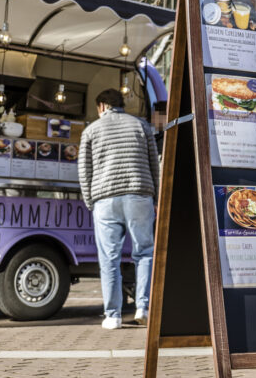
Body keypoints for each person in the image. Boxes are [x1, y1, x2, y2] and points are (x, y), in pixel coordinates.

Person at [78, 88, 160, 330]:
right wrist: (155, 195)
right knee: (144, 253)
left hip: (105, 199)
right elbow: (154, 163)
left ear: (102, 106)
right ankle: (143, 308)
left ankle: (112, 315)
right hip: (139, 195)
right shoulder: (141, 126)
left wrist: (90, 201)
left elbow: (84, 171)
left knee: (109, 258)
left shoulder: (91, 130)